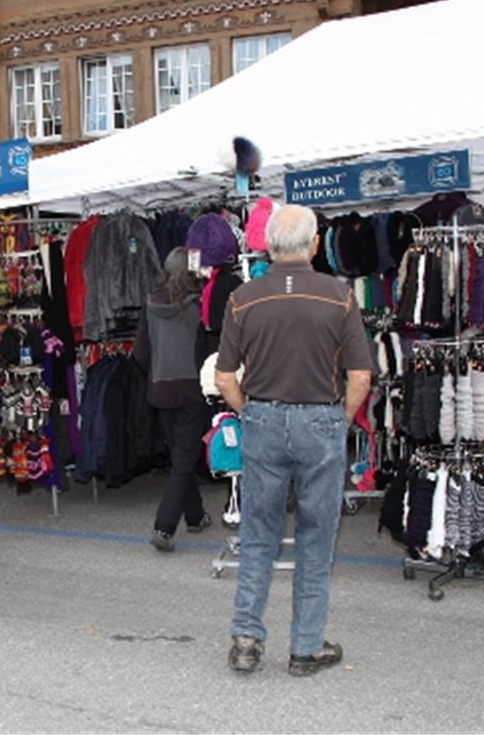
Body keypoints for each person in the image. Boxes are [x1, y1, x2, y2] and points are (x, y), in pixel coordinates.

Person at [214, 204, 373, 676]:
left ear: (267, 245)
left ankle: (246, 638)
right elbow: (360, 376)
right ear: (316, 243)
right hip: (320, 418)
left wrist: (250, 412)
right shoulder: (339, 296)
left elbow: (224, 377)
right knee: (315, 538)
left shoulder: (243, 298)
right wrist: (340, 419)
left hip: (263, 417)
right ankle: (305, 647)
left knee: (258, 533)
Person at [134, 247, 213, 552]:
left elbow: (141, 353)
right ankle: (164, 526)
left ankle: (195, 516)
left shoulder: (150, 303)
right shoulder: (199, 307)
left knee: (181, 455)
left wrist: (156, 371)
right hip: (192, 388)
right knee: (183, 458)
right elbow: (206, 353)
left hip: (161, 388)